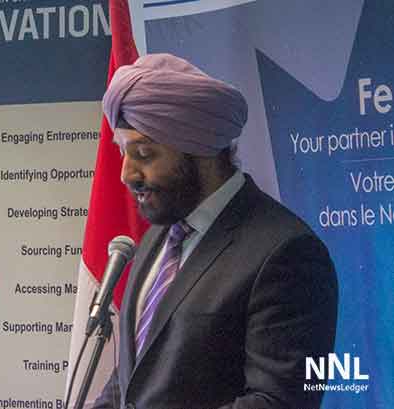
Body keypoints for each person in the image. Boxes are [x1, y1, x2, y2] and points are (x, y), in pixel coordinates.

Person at [92, 54, 338, 409]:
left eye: (144, 153)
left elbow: (277, 402)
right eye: (123, 152)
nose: (126, 174)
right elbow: (136, 374)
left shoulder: (287, 253)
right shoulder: (160, 233)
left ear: (200, 151)